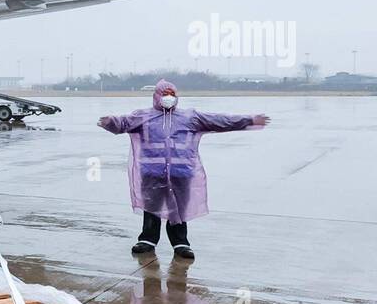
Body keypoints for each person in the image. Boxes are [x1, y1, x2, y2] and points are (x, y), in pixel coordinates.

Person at [98, 79, 268, 261]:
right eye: (165, 94)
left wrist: (249, 120)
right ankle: (148, 240)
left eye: (172, 95)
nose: (169, 98)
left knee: (178, 210)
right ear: (156, 96)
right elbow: (123, 123)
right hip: (152, 173)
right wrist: (109, 122)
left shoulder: (190, 117)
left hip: (181, 172)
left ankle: (181, 243)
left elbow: (220, 121)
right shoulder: (143, 117)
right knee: (152, 208)